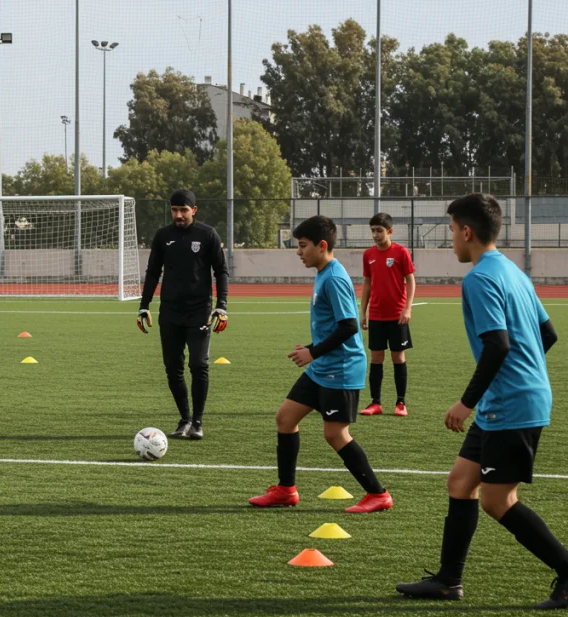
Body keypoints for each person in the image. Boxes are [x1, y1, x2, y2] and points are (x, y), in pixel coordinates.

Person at [395, 193, 568, 609]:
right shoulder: (513, 271)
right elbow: (548, 335)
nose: (450, 239)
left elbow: (498, 346)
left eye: (451, 231)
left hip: (511, 403)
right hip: (507, 399)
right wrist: (524, 375)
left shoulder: (480, 278)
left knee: (496, 500)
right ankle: (448, 581)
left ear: (466, 232)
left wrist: (467, 402)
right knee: (461, 482)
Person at [249, 215, 393, 513]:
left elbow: (349, 326)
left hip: (340, 369)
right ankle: (286, 490)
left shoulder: (335, 278)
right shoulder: (323, 273)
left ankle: (378, 494)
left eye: (302, 246)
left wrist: (313, 351)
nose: (298, 252)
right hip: (321, 368)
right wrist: (314, 351)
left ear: (322, 245)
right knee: (285, 418)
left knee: (335, 435)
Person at [137, 189, 228, 440]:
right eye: (175, 210)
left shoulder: (207, 235)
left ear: (194, 210)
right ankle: (184, 419)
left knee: (198, 364)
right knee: (173, 369)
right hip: (169, 313)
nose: (179, 215)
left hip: (199, 312)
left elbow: (221, 271)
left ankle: (197, 422)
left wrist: (222, 305)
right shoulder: (163, 236)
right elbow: (153, 272)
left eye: (184, 210)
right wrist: (144, 305)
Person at [358, 212, 416, 417]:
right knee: (376, 358)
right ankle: (376, 403)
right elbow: (367, 284)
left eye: (379, 231)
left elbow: (411, 281)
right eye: (373, 230)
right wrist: (362, 312)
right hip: (376, 315)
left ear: (390, 231)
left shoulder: (401, 253)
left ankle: (401, 403)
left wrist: (407, 308)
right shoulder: (368, 255)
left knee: (398, 357)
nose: (375, 234)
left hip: (397, 315)